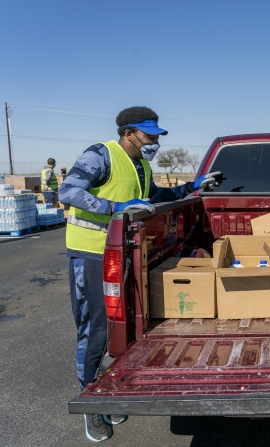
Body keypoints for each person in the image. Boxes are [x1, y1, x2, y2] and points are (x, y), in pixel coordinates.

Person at [58, 106, 222, 442]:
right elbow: (69, 192)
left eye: (156, 136)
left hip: (124, 251)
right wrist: (115, 208)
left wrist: (192, 186)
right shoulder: (101, 155)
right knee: (95, 330)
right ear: (128, 132)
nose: (154, 142)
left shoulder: (141, 165)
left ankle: (110, 390)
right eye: (149, 136)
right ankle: (91, 406)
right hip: (92, 253)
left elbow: (152, 198)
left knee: (125, 328)